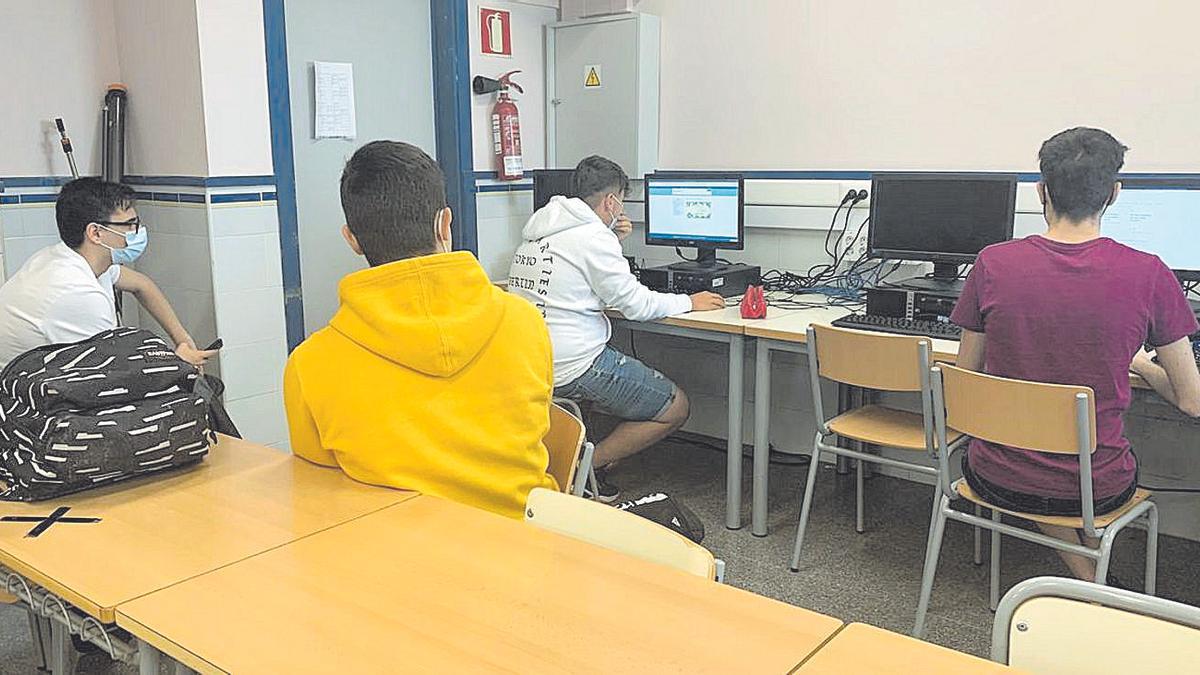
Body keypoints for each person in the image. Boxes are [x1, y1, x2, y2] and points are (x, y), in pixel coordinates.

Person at [950, 127, 1200, 582]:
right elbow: (1192, 401)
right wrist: (1141, 362)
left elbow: (965, 379)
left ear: (1041, 191)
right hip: (1097, 486)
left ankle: (1091, 579)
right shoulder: (1149, 273)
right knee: (1069, 474)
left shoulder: (992, 263)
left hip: (994, 474)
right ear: (1115, 194)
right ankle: (1096, 584)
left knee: (1036, 465)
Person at [284, 140, 557, 519]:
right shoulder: (524, 321)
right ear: (445, 224)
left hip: (394, 564)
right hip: (532, 549)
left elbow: (323, 487)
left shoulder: (309, 363)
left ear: (352, 240)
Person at [508, 155, 725, 501]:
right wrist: (689, 301)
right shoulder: (592, 237)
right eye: (620, 201)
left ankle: (577, 465)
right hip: (574, 363)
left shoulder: (541, 231)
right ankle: (583, 467)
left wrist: (610, 237)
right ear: (611, 201)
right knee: (676, 406)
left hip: (532, 361)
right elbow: (636, 305)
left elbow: (584, 275)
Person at [0, 178, 215, 370]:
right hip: (19, 400)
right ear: (95, 233)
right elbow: (112, 372)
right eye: (130, 225)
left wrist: (183, 340)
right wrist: (177, 363)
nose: (137, 232)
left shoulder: (71, 257)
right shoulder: (76, 293)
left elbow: (142, 285)